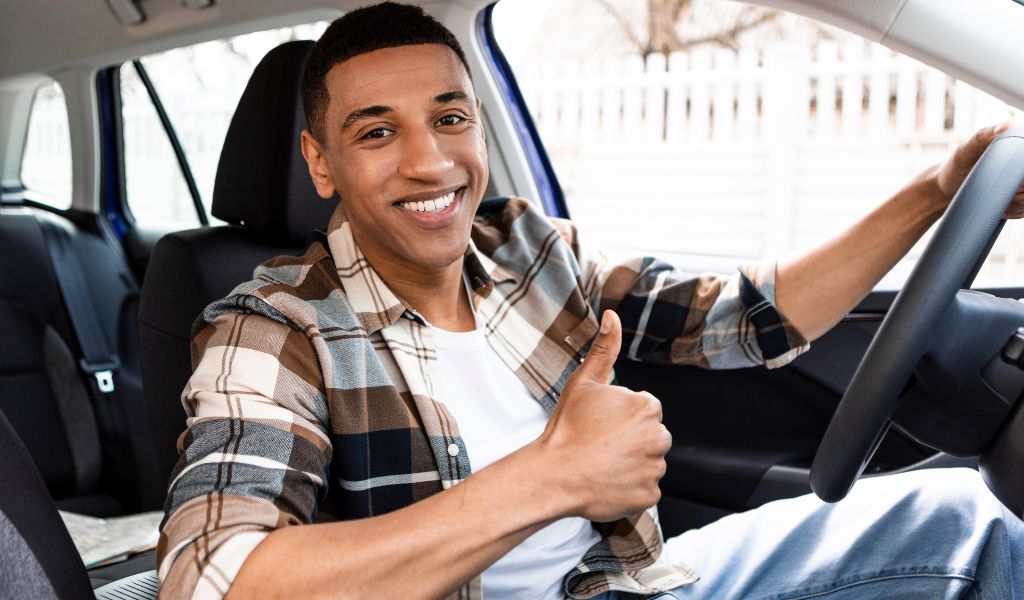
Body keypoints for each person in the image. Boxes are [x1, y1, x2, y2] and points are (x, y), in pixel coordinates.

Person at [156, 3, 1024, 599]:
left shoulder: (532, 249)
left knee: (968, 516)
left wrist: (934, 193)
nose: (429, 163)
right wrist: (550, 478)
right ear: (320, 164)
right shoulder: (272, 327)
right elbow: (215, 577)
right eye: (377, 131)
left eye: (450, 118)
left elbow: (745, 318)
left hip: (635, 582)